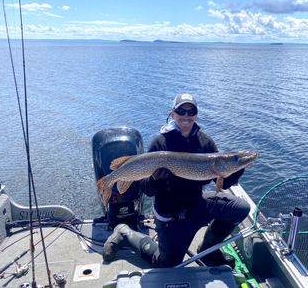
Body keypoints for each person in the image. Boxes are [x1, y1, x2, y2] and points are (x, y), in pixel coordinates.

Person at [103, 93, 250, 268]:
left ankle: (208, 250)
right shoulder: (161, 143)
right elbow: (147, 190)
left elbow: (223, 184)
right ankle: (125, 233)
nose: (186, 116)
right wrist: (157, 180)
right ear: (172, 113)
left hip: (196, 205)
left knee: (240, 208)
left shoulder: (205, 143)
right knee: (166, 264)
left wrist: (237, 167)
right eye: (181, 111)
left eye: (191, 111)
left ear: (196, 114)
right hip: (170, 214)